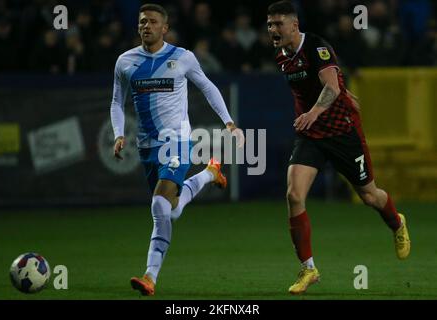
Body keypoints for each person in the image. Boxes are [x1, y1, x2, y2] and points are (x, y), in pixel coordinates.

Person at [266, 0, 410, 295]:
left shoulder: (317, 46)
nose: (273, 29)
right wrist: (326, 105)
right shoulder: (281, 55)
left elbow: (330, 87)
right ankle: (309, 269)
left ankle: (396, 223)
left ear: (294, 25)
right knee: (294, 195)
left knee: (370, 196)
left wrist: (319, 109)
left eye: (278, 24)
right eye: (269, 24)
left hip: (343, 131)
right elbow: (329, 86)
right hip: (311, 135)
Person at [110, 3, 244, 296]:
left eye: (153, 21)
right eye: (142, 21)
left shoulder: (182, 57)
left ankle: (150, 276)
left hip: (177, 142)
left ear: (164, 28)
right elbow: (117, 102)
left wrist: (230, 123)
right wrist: (119, 134)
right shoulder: (125, 61)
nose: (147, 26)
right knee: (171, 211)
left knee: (159, 205)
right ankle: (209, 173)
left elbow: (208, 87)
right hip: (146, 146)